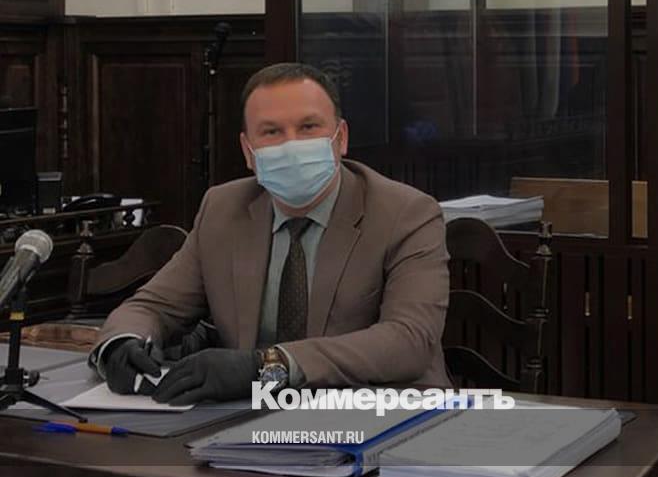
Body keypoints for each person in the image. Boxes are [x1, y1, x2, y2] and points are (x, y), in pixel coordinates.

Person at [88, 63, 452, 405]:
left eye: (308, 127)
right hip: (249, 415)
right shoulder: (223, 209)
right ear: (248, 151)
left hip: (380, 410)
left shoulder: (406, 213)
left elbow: (409, 341)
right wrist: (121, 343)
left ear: (340, 138)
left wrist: (266, 367)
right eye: (272, 132)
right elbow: (153, 306)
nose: (291, 145)